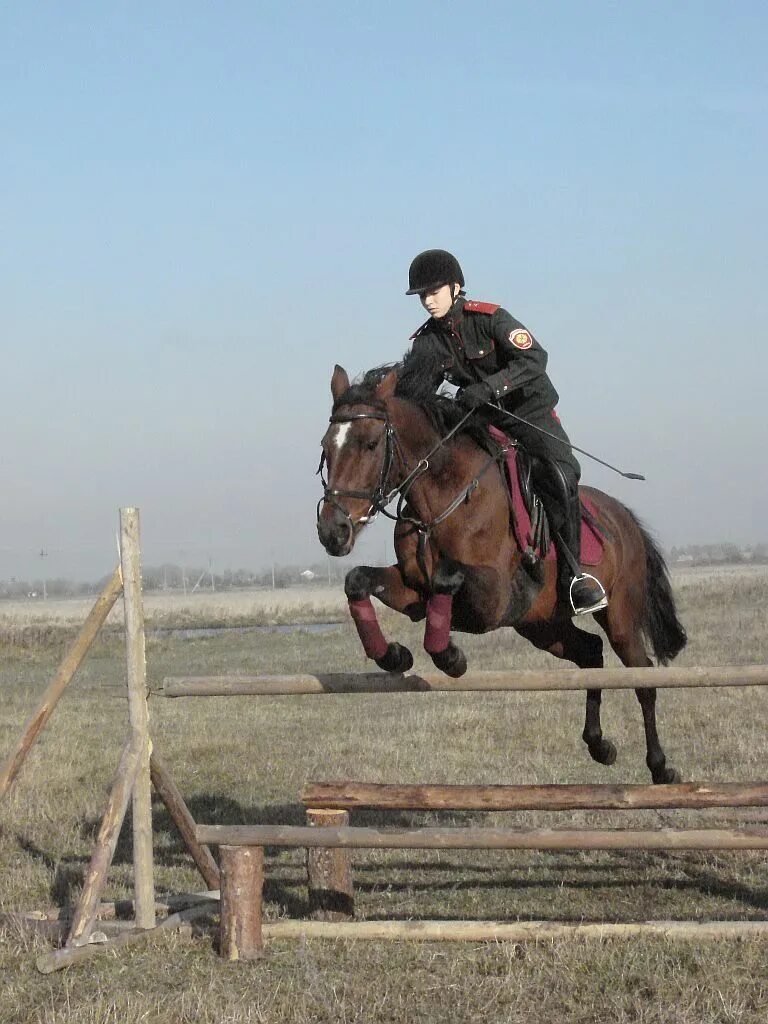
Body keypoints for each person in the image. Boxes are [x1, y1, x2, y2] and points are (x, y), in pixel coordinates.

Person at [404, 248, 607, 616]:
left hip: (529, 412)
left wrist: (490, 388)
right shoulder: (429, 342)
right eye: (422, 295)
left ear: (455, 287)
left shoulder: (489, 318)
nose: (428, 301)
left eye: (434, 292)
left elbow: (535, 359)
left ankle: (575, 577)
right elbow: (412, 394)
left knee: (562, 476)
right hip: (483, 423)